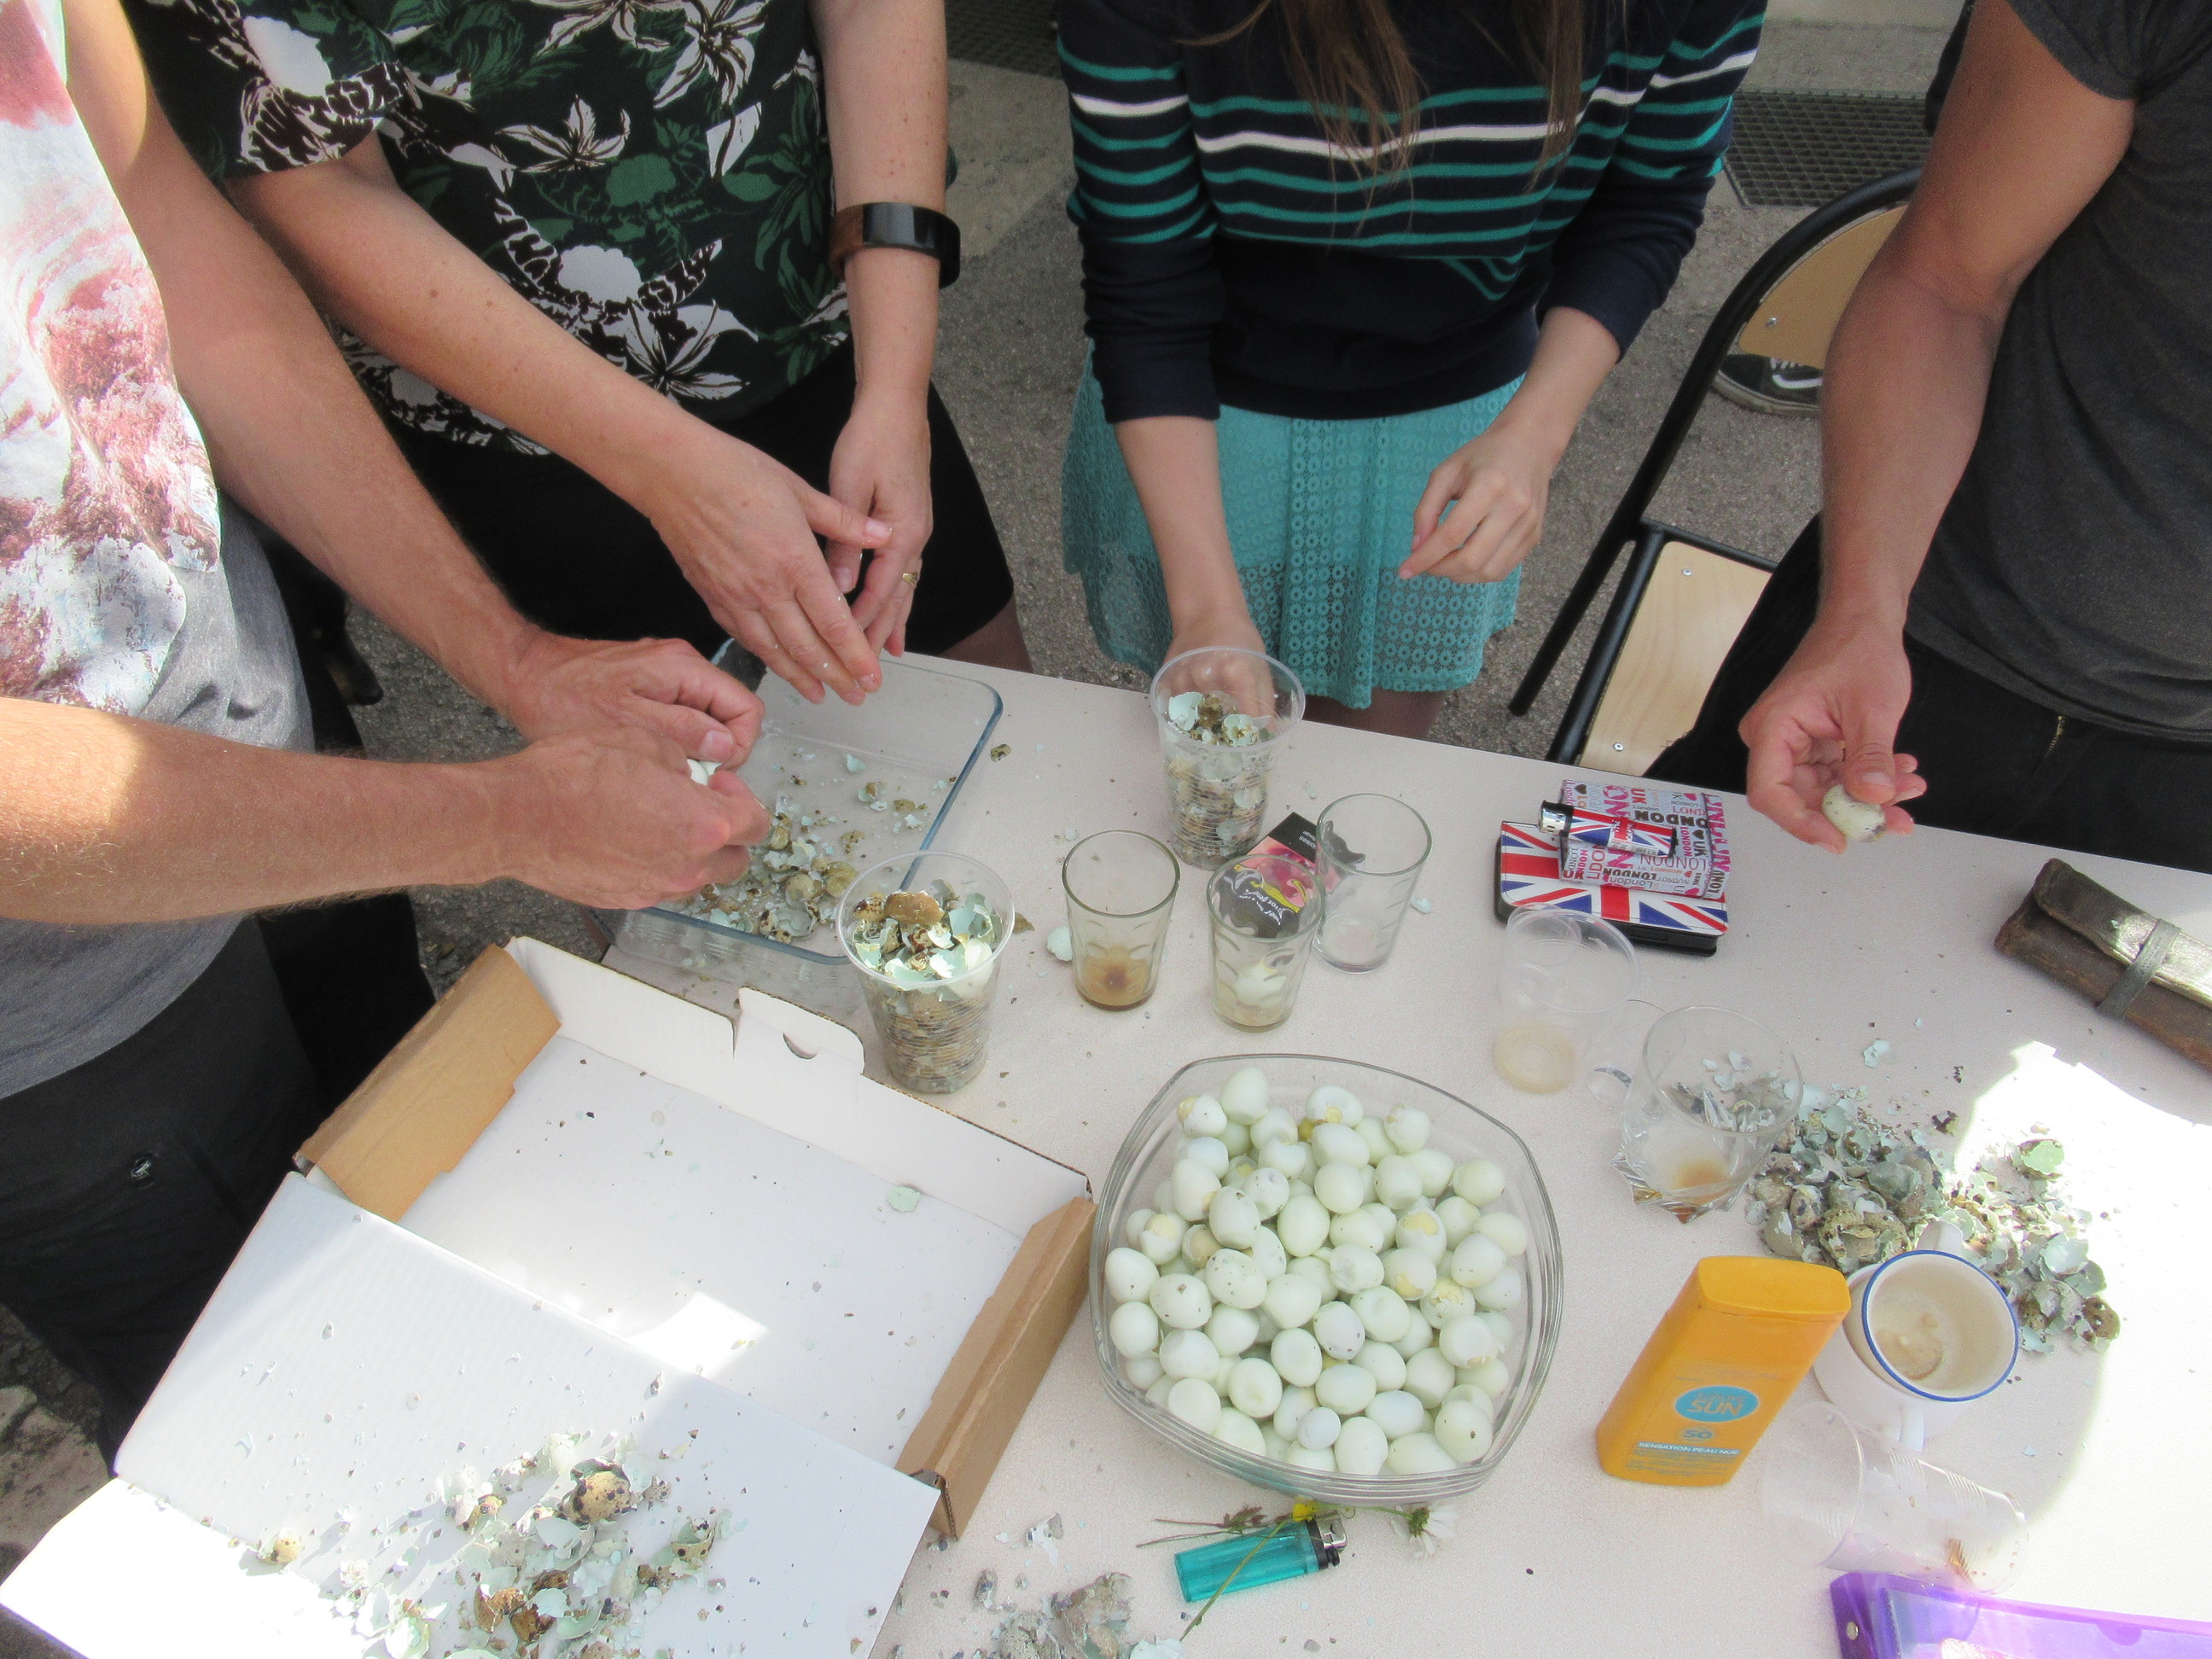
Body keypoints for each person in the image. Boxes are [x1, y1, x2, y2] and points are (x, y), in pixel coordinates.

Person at [1, 0, 771, 1457]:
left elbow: (175, 248)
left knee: (448, 1232)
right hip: (61, 1021)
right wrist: (505, 814)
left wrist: (518, 657)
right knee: (296, 1433)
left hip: (261, 743)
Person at [126, 0, 1030, 708]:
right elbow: (309, 176)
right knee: (692, 798)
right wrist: (673, 475)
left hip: (823, 318)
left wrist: (895, 387)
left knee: (988, 708)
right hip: (526, 409)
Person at [1057, 0, 1762, 736]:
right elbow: (1145, 274)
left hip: (1457, 421)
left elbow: (1648, 198)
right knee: (1215, 738)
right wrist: (1205, 607)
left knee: (1374, 758)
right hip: (1194, 421)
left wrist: (1533, 435)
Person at [1655, 0, 2212, 873]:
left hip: (2188, 780)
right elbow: (1948, 281)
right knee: (1673, 925)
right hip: (1921, 646)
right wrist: (1860, 615)